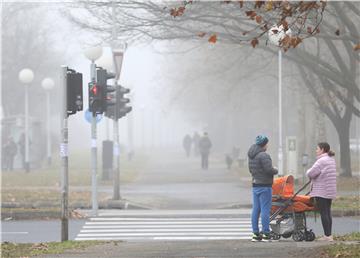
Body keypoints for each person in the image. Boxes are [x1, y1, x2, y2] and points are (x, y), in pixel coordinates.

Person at [247, 135, 278, 242]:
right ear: (264, 144)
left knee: (256, 210)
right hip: (265, 186)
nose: (268, 145)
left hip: (255, 185)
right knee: (265, 210)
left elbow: (251, 170)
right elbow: (269, 170)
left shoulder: (251, 155)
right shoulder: (264, 155)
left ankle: (255, 234)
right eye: (267, 143)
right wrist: (275, 170)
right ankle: (266, 234)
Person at [306, 142, 336, 242]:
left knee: (324, 213)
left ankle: (327, 236)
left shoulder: (321, 161)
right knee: (327, 212)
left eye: (317, 148)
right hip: (329, 190)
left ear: (322, 149)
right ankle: (329, 234)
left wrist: (308, 172)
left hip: (321, 190)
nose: (316, 150)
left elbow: (311, 173)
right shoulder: (331, 159)